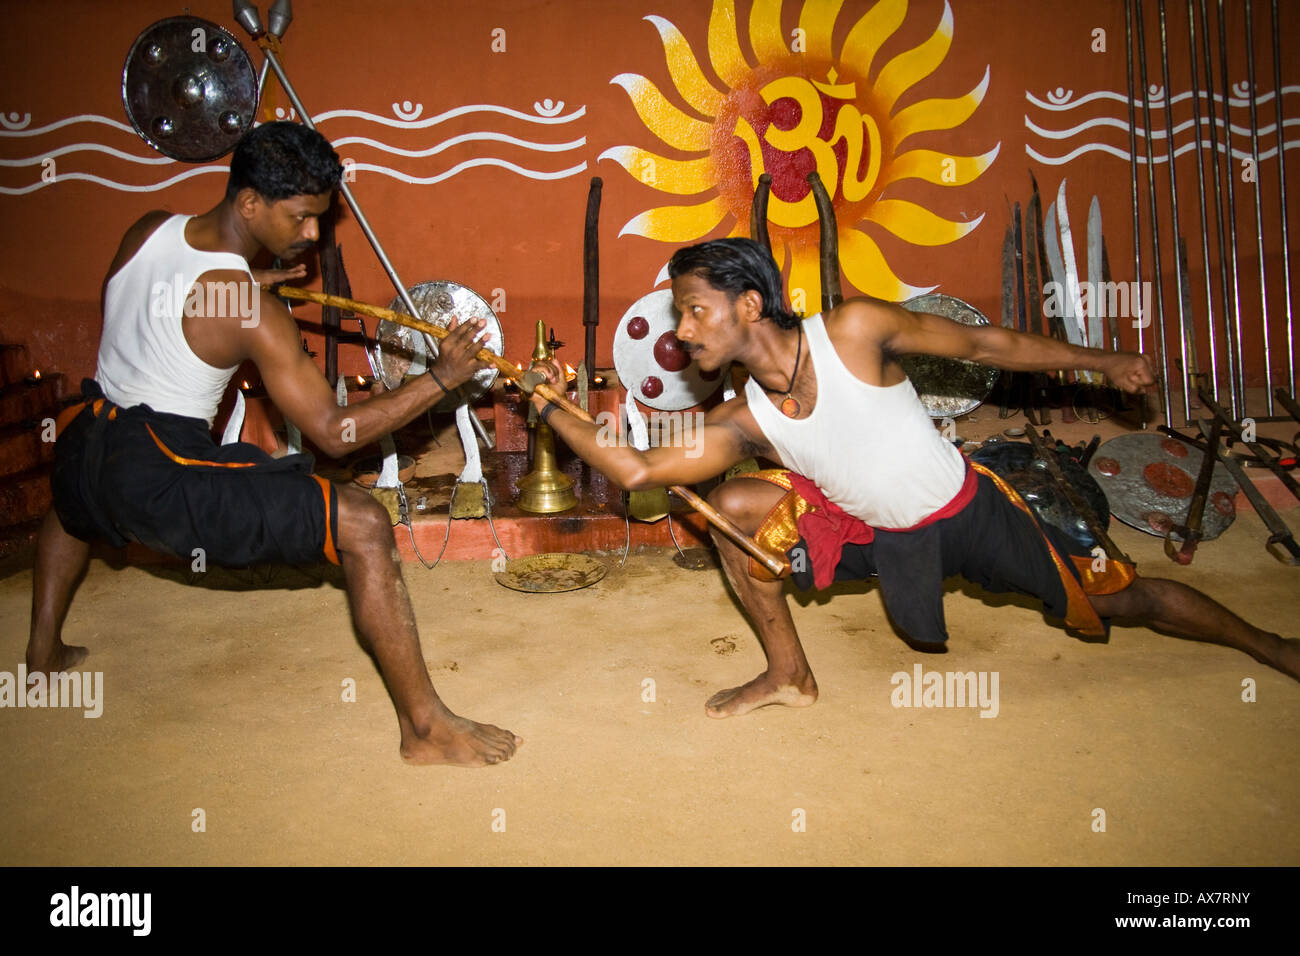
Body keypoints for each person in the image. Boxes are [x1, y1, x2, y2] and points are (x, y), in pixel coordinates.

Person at [528, 238, 1298, 717]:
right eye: (679, 314)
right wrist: (554, 407)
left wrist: (1105, 364)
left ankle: (1264, 643)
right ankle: (790, 676)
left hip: (970, 512)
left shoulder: (855, 331)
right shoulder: (746, 417)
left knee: (1124, 596)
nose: (681, 330)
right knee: (731, 510)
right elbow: (635, 467)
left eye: (693, 310)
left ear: (750, 303)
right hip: (870, 533)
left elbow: (985, 344)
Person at [27, 122, 519, 766]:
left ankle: (42, 653)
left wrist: (248, 286)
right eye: (302, 217)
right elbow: (335, 435)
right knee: (364, 524)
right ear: (251, 205)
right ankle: (425, 728)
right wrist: (441, 378)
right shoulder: (249, 311)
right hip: (160, 474)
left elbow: (163, 306)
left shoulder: (146, 229)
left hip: (90, 442)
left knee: (75, 486)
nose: (313, 234)